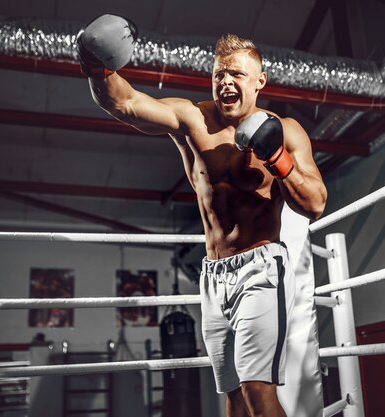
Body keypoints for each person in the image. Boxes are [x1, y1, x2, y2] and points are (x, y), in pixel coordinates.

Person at [77, 14, 327, 417]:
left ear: (259, 82)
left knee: (258, 389)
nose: (226, 83)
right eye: (219, 75)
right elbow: (123, 102)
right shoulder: (192, 119)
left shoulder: (288, 130)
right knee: (232, 393)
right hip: (213, 275)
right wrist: (94, 65)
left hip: (261, 269)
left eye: (238, 75)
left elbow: (314, 204)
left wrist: (276, 157)